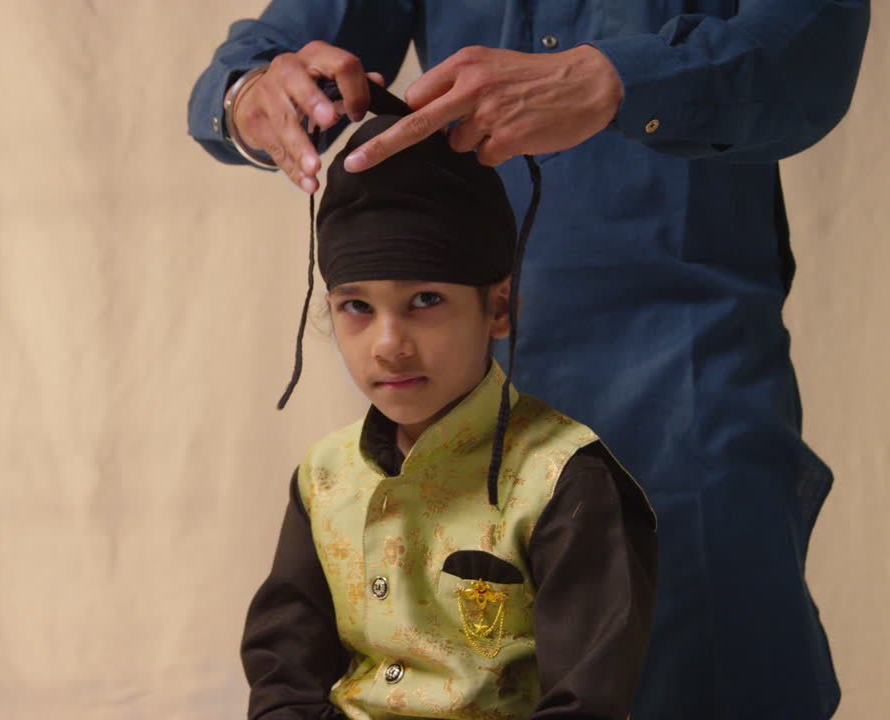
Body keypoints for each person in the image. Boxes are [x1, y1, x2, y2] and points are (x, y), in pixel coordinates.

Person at [189, 4, 869, 718]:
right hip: (466, 377)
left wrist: (619, 79)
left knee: (707, 669)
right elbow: (271, 58)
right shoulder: (331, 481)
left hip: (683, 366)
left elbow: (805, 58)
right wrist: (252, 95)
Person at [242, 102, 657, 720]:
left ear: (498, 309)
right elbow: (284, 676)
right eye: (356, 307)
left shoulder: (564, 479)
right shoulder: (324, 478)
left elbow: (586, 703)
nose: (388, 344)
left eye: (426, 299)